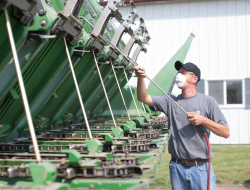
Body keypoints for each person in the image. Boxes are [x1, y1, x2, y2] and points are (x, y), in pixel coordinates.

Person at [133, 61, 230, 190]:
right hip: (176, 167)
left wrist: (203, 120)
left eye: (184, 73)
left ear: (195, 79)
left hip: (201, 168)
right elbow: (143, 98)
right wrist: (140, 78)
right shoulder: (170, 101)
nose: (179, 75)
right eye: (179, 72)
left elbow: (225, 132)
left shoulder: (208, 101)